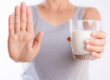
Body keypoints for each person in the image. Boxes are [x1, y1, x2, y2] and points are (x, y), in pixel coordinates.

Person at [8, 0, 106, 80]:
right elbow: (22, 55)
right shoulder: (26, 13)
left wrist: (90, 48)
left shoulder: (87, 13)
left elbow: (84, 55)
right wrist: (20, 58)